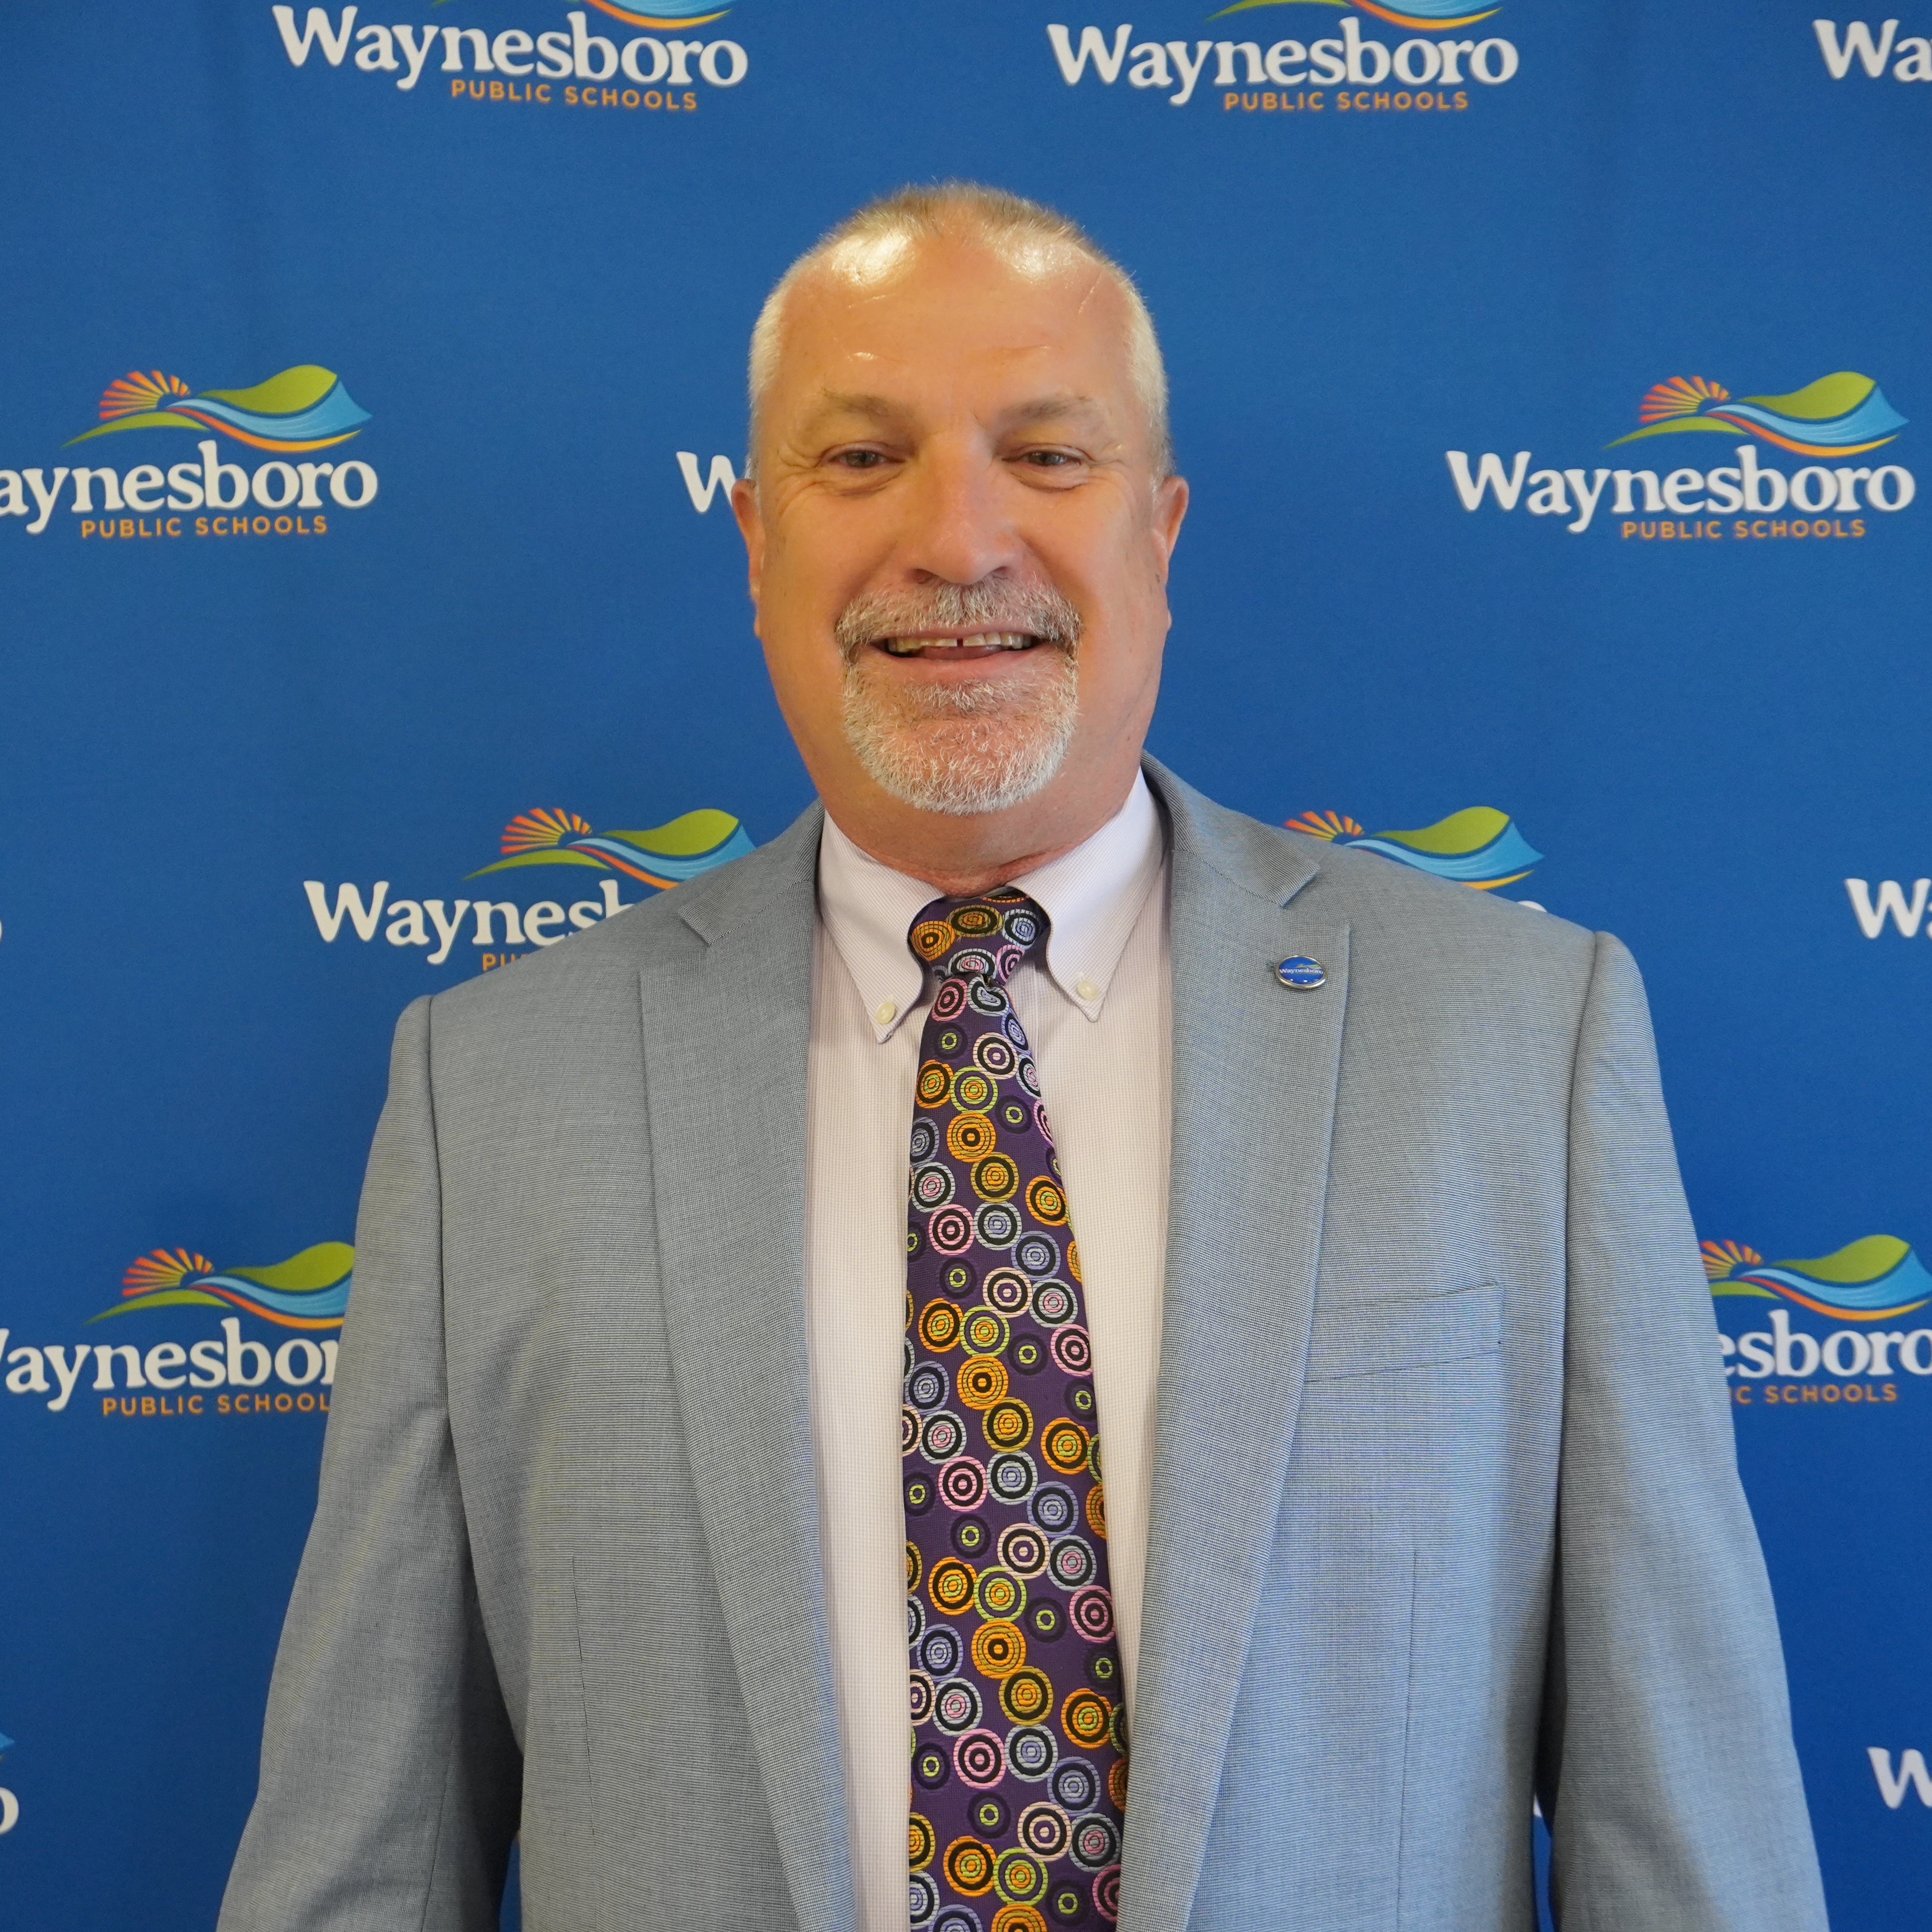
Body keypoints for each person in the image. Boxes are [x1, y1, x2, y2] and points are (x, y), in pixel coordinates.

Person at [219, 184, 1828, 1932]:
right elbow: (363, 1856)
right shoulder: (496, 1089)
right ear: (754, 538)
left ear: (1164, 526)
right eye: (861, 462)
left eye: (1050, 457)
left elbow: (1690, 1845)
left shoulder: (1524, 1038)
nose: (961, 540)